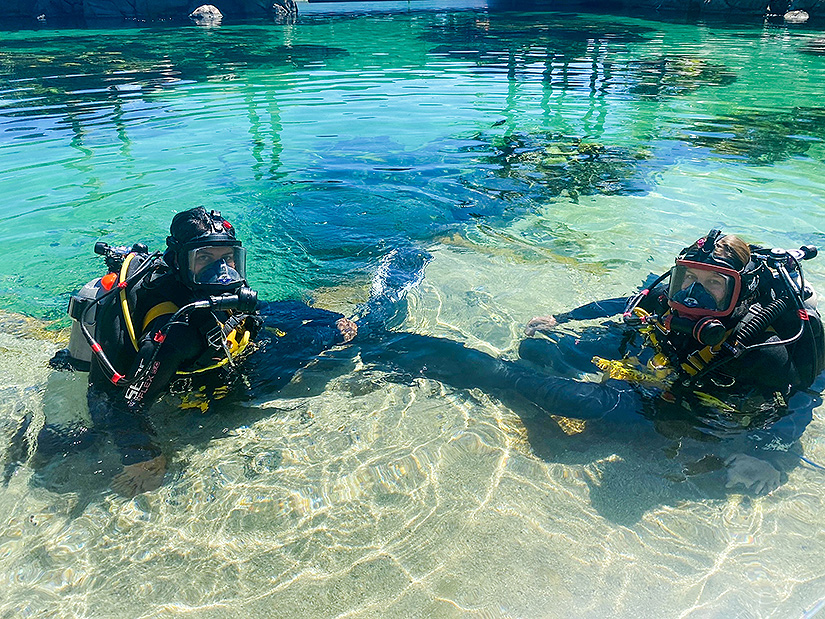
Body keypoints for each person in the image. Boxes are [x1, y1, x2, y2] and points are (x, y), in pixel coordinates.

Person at [352, 229, 824, 495]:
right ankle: (527, 368)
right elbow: (627, 302)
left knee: (549, 393)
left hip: (673, 406)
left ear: (738, 291)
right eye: (687, 279)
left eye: (711, 285)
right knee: (535, 349)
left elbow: (802, 396)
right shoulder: (672, 298)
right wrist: (561, 317)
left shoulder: (764, 346)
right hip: (654, 359)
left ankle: (398, 349)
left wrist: (770, 457)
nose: (692, 294)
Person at [15, 207, 357, 496]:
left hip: (205, 349)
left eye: (228, 258)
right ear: (179, 260)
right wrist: (143, 456)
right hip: (165, 361)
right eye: (203, 258)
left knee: (319, 332)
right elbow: (122, 405)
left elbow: (258, 311)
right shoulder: (175, 331)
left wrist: (328, 318)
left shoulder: (219, 289)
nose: (220, 270)